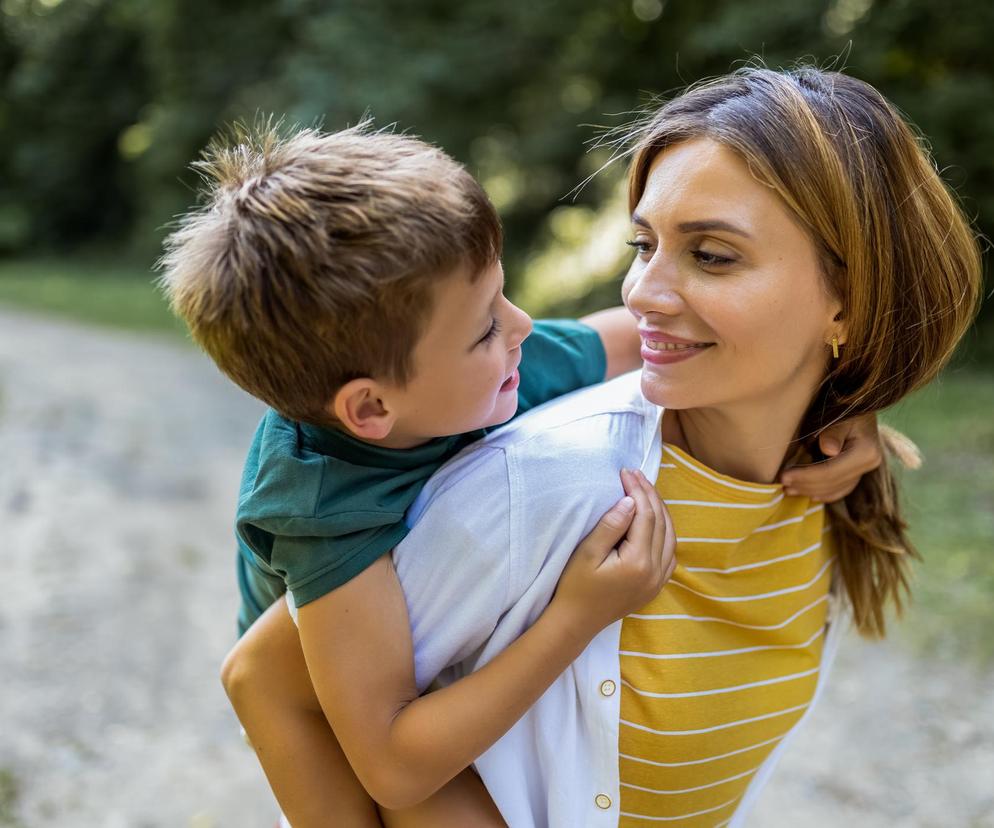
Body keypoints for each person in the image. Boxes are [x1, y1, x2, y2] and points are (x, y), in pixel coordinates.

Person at [162, 118, 882, 826]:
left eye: (503, 296)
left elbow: (670, 335)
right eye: (485, 326)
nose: (524, 326)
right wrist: (578, 615)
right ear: (372, 408)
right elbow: (382, 757)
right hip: (324, 712)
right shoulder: (321, 503)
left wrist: (848, 399)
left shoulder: (504, 358)